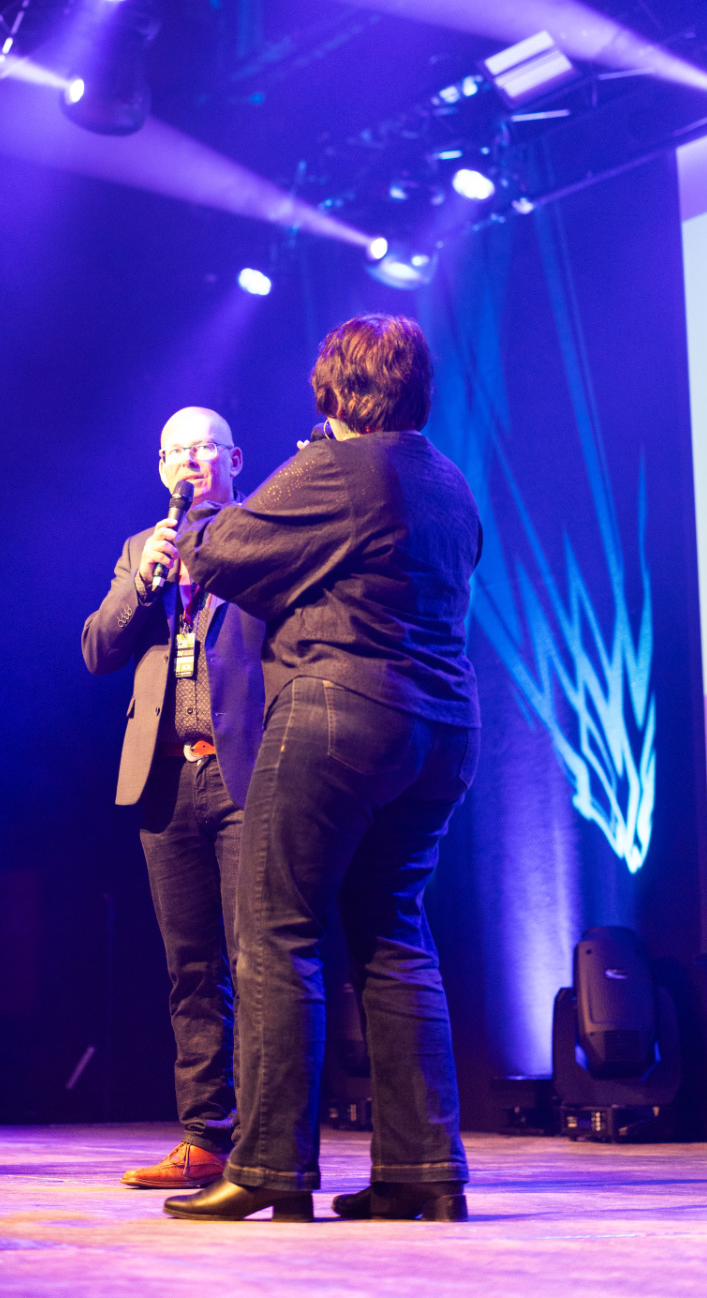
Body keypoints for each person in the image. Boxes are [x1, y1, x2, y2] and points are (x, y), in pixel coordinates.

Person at [162, 316, 482, 1224]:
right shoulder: (449, 482)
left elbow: (214, 552)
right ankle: (425, 1170)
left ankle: (269, 1168)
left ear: (334, 391)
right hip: (442, 726)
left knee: (277, 931)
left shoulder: (336, 466)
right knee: (394, 934)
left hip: (341, 711)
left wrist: (249, 519)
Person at [83, 406, 265, 1192]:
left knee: (257, 961)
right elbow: (97, 649)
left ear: (235, 459)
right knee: (190, 969)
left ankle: (265, 1141)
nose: (189, 461)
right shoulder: (141, 549)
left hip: (244, 771)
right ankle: (205, 1137)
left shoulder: (266, 533)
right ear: (160, 467)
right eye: (175, 451)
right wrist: (144, 584)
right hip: (165, 778)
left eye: (204, 448)